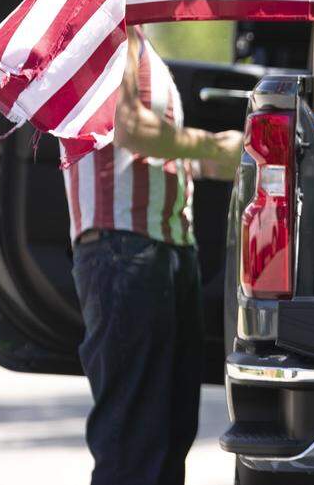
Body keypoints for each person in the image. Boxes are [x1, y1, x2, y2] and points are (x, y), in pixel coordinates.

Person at [65, 25, 243, 485]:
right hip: (125, 249)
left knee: (166, 437)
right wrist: (210, 145)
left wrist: (236, 156)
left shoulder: (139, 39)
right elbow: (129, 128)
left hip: (161, 250)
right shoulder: (106, 32)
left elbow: (160, 150)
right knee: (135, 447)